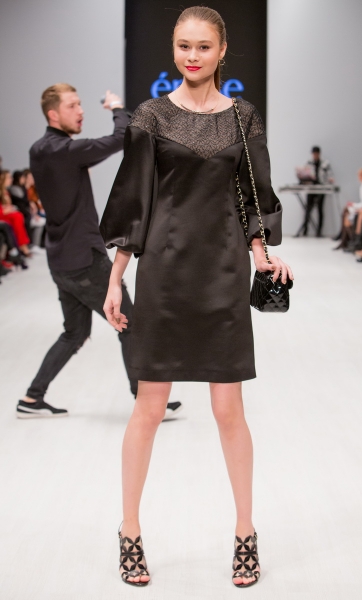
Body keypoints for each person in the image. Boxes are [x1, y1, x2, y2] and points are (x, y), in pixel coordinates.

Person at [100, 6, 293, 589]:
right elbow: (134, 199)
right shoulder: (151, 116)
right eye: (184, 45)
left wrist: (263, 256)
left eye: (203, 46)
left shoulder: (242, 117)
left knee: (229, 411)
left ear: (222, 50)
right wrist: (116, 277)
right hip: (164, 272)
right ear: (174, 48)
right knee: (149, 407)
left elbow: (253, 194)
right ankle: (129, 530)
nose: (192, 56)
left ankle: (245, 532)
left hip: (222, 272)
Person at [16, 83, 182, 420]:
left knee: (75, 333)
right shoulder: (66, 150)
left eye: (80, 104)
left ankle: (32, 398)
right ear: (53, 114)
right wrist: (117, 107)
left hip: (61, 259)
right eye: (72, 106)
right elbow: (123, 136)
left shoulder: (38, 150)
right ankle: (146, 401)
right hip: (84, 260)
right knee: (130, 323)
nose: (80, 111)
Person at [301, 146, 334, 237]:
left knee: (320, 209)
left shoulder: (325, 163)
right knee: (308, 209)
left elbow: (330, 175)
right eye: (313, 153)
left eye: (316, 153)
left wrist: (330, 180)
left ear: (319, 153)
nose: (315, 155)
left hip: (321, 188)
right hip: (311, 188)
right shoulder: (308, 163)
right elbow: (304, 174)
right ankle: (305, 230)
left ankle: (319, 231)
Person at [0, 170, 31, 256]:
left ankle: (21, 246)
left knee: (18, 216)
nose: (11, 179)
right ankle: (21, 246)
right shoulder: (6, 191)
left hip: (5, 213)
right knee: (17, 217)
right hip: (2, 214)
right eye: (8, 178)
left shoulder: (6, 191)